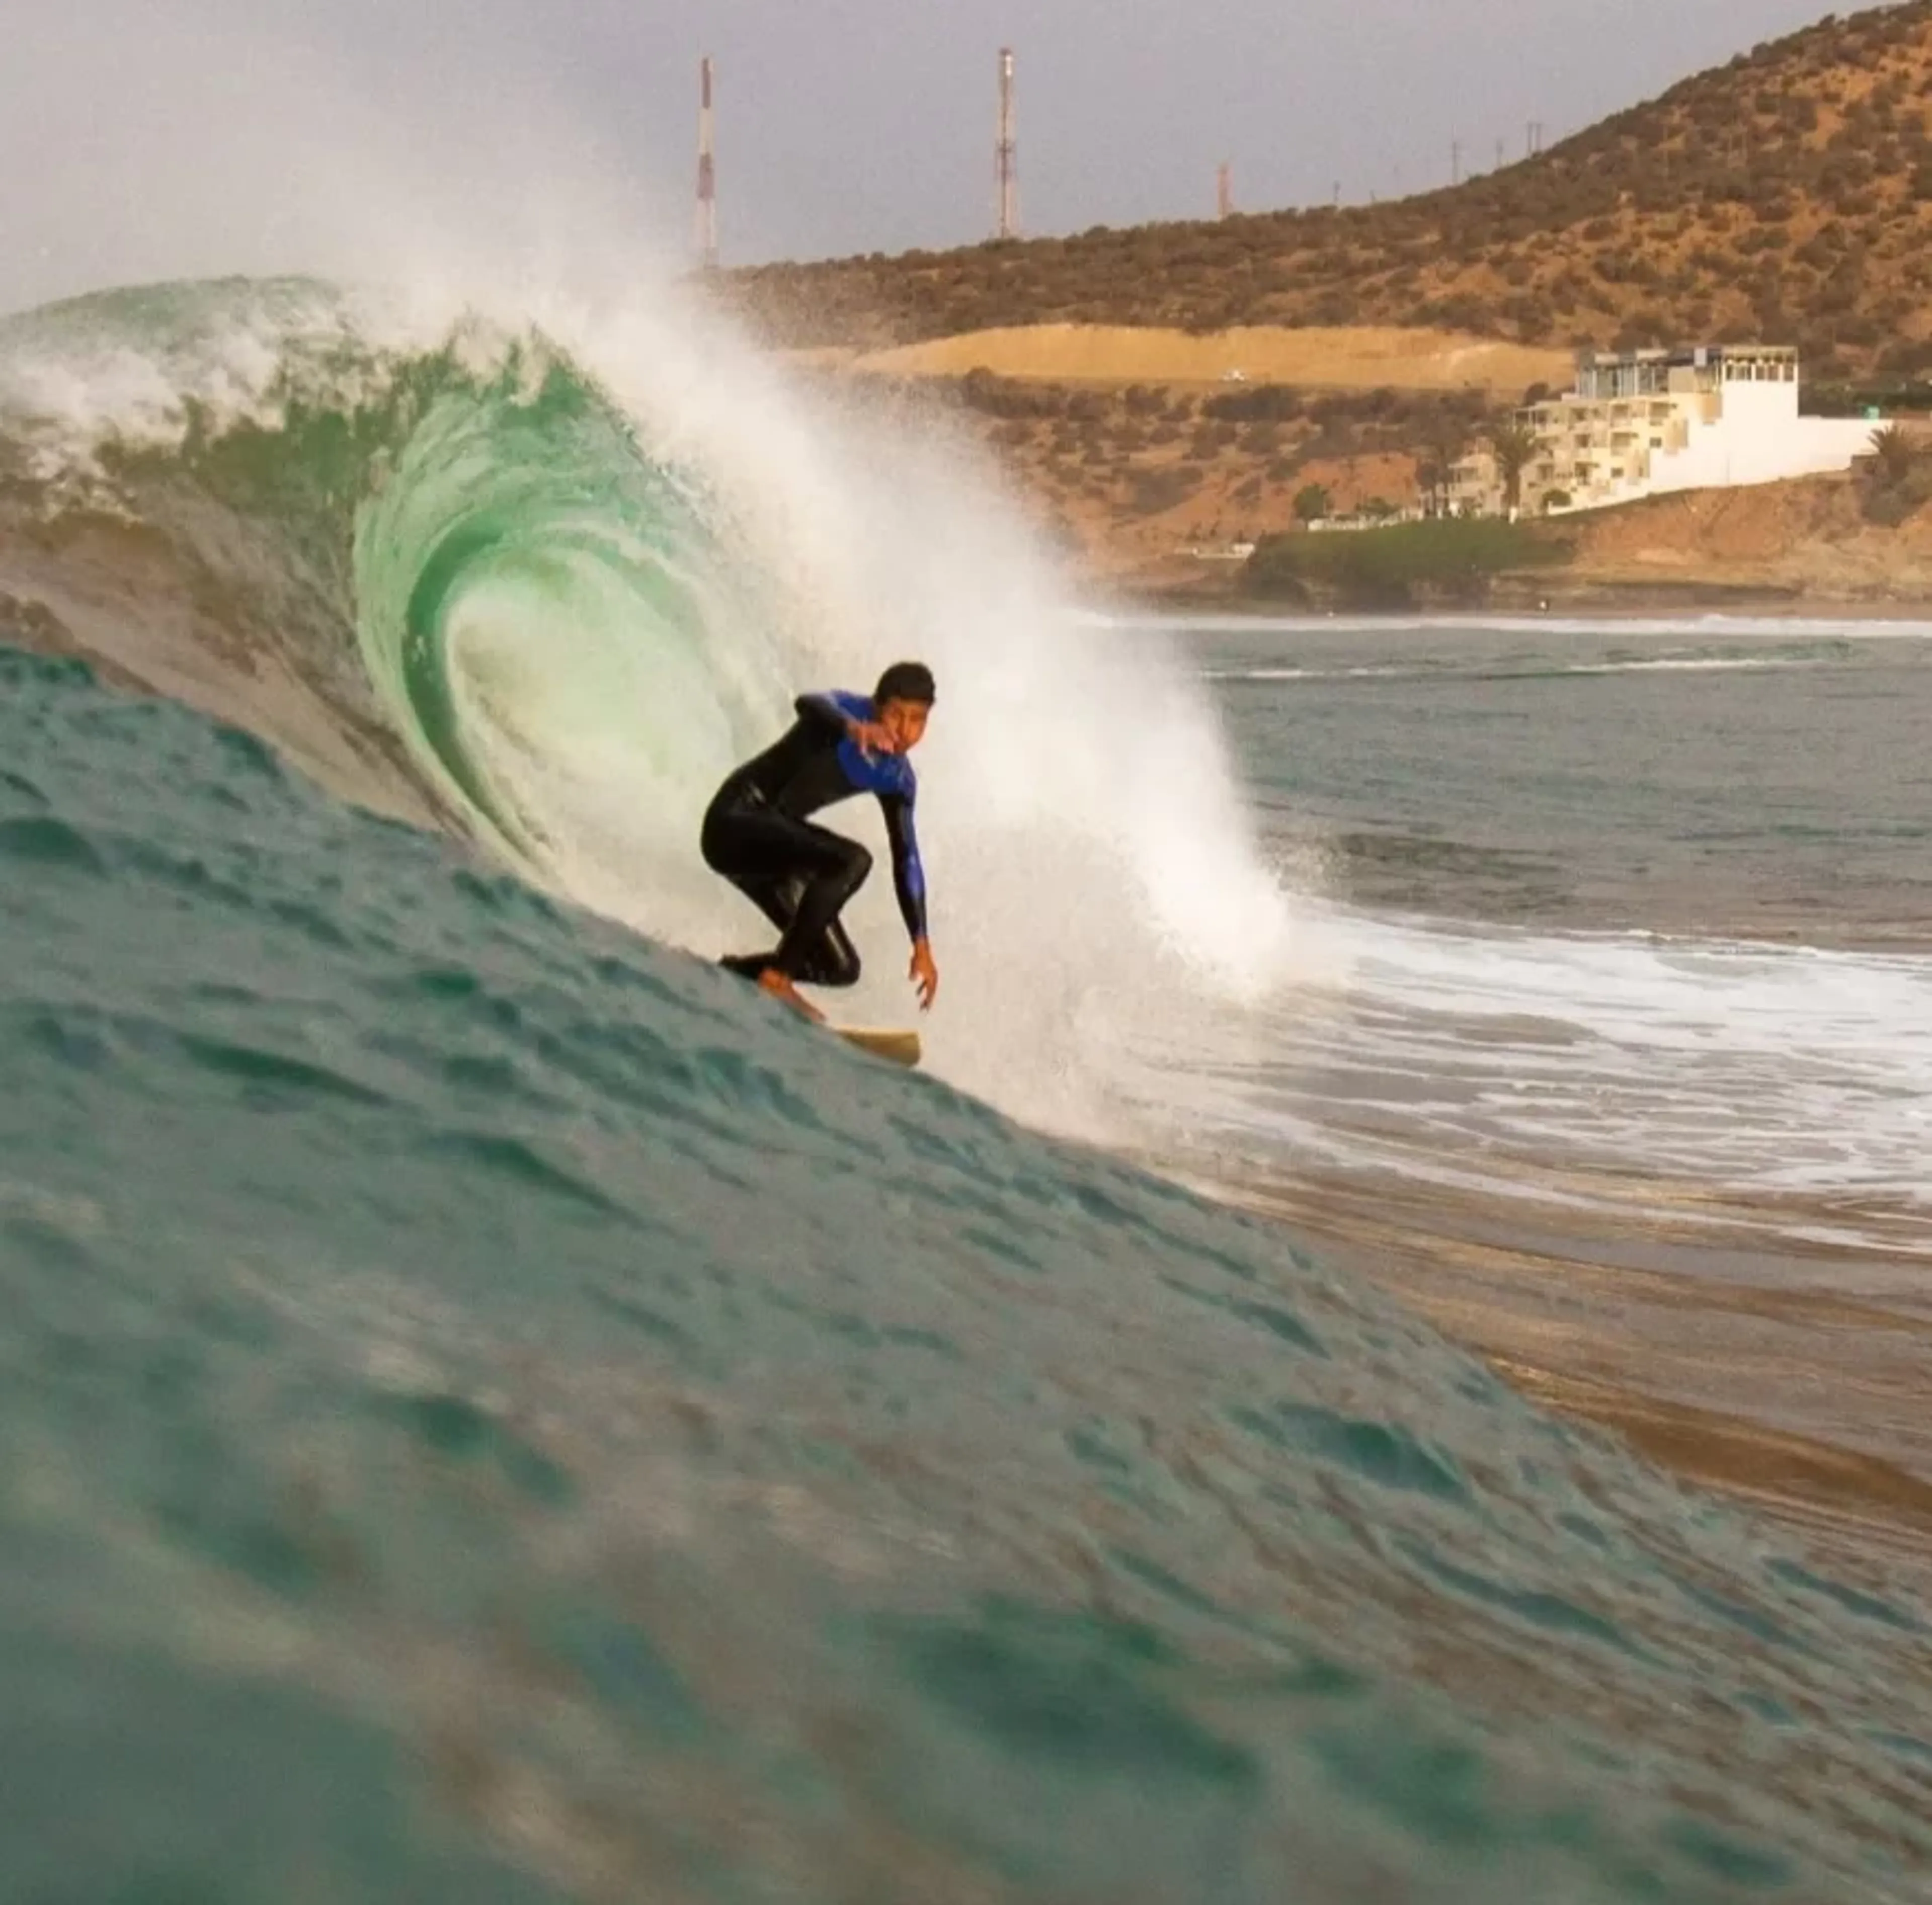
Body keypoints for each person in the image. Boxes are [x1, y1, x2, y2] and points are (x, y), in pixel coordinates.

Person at [702, 661, 939, 1023]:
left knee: (838, 967)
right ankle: (777, 978)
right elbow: (808, 703)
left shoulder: (897, 778)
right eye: (896, 715)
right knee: (854, 860)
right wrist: (852, 727)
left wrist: (920, 943)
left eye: (918, 720)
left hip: (772, 856)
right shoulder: (846, 712)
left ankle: (731, 972)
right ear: (878, 706)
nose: (905, 731)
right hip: (735, 821)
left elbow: (906, 856)